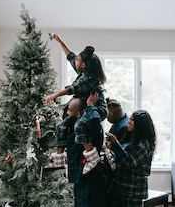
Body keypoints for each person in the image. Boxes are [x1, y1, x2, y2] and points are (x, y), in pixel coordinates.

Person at [45, 33, 107, 174]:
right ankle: (59, 158)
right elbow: (71, 56)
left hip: (98, 107)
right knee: (64, 124)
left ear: (83, 65)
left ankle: (92, 157)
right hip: (86, 106)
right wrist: (60, 41)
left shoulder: (88, 79)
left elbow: (71, 89)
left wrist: (55, 95)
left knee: (79, 125)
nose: (76, 61)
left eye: (79, 60)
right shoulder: (82, 69)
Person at [105, 110, 156, 207]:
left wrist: (116, 144)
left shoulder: (144, 144)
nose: (128, 121)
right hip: (119, 187)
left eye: (132, 120)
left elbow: (130, 161)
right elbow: (119, 157)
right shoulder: (130, 139)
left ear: (140, 124)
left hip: (132, 191)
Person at [66, 93, 107, 207]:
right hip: (80, 179)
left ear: (79, 113)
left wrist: (90, 105)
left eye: (70, 110)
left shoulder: (90, 123)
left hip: (91, 179)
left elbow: (94, 119)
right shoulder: (73, 127)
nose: (67, 113)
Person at [104, 98, 129, 207]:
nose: (106, 117)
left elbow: (121, 151)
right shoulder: (119, 124)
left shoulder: (124, 127)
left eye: (107, 114)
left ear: (112, 111)